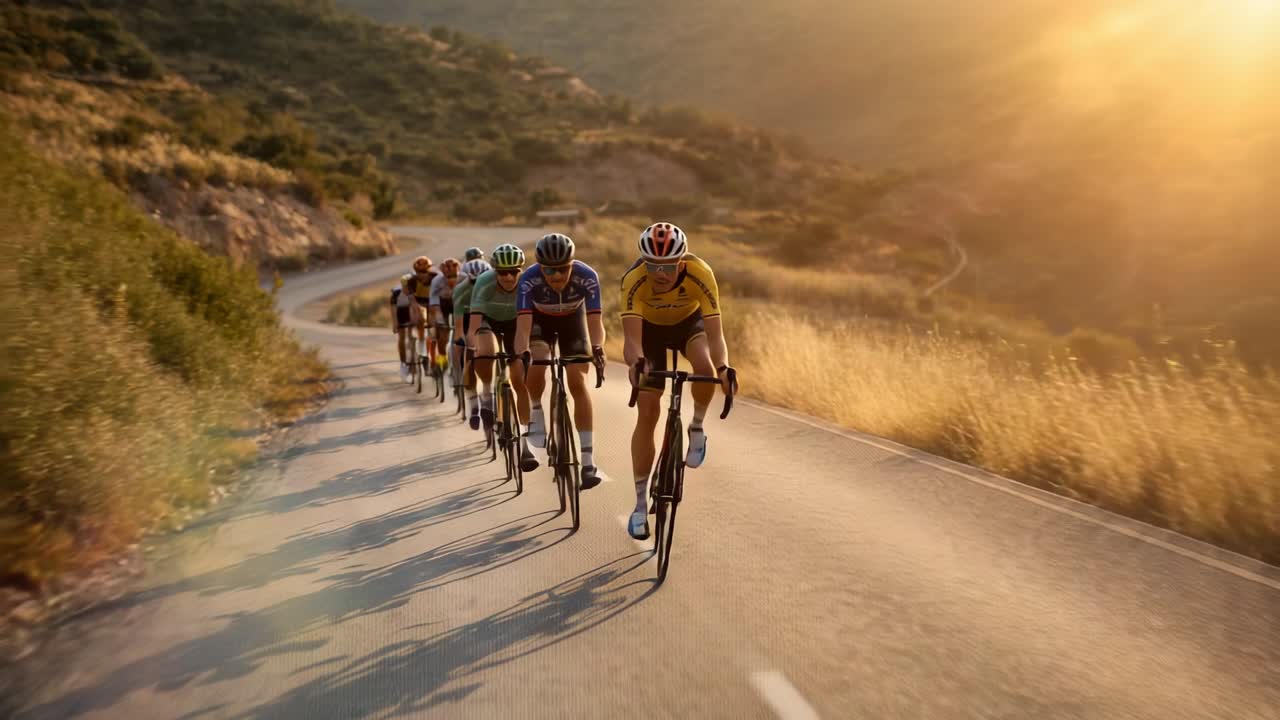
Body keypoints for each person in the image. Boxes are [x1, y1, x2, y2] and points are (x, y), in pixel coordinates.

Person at [620, 222, 736, 540]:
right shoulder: (633, 280)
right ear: (644, 262)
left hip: (688, 325)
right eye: (654, 265)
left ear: (681, 262)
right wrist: (636, 363)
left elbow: (716, 336)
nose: (661, 273)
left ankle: (696, 427)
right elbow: (632, 341)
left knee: (705, 366)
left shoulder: (701, 272)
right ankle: (640, 505)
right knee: (647, 411)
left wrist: (725, 367)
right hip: (650, 333)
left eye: (669, 265)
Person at [514, 233, 607, 488]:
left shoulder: (587, 276)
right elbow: (522, 328)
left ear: (572, 263)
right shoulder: (528, 279)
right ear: (540, 267)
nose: (556, 276)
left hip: (572, 323)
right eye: (550, 270)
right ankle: (536, 410)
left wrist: (597, 347)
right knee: (538, 361)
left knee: (577, 381)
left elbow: (595, 322)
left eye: (563, 269)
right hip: (539, 323)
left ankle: (588, 462)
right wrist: (523, 353)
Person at [466, 244, 539, 472]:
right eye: (502, 272)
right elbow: (474, 326)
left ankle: (526, 443)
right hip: (489, 322)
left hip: (515, 324)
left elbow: (530, 322)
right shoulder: (484, 282)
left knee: (520, 382)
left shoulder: (527, 284)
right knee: (486, 351)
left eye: (514, 271)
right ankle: (487, 393)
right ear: (494, 270)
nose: (508, 277)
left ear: (521, 270)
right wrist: (473, 346)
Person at [452, 258, 490, 427]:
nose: (478, 285)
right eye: (474, 281)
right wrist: (460, 340)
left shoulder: (494, 287)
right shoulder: (461, 291)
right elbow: (459, 324)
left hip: (489, 320)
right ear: (467, 278)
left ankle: (491, 392)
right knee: (467, 357)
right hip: (468, 321)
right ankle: (473, 403)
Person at [400, 255, 438, 380]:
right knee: (420, 318)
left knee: (435, 326)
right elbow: (412, 301)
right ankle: (421, 343)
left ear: (429, 270)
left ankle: (432, 348)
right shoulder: (411, 281)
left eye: (424, 271)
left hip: (431, 302)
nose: (422, 274)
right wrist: (418, 317)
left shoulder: (435, 278)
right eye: (419, 272)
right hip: (418, 302)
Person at [429, 257, 462, 371]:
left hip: (458, 303)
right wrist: (438, 317)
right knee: (442, 334)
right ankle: (442, 358)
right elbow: (433, 300)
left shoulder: (464, 278)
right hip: (443, 305)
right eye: (448, 277)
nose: (451, 281)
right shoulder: (437, 281)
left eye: (454, 277)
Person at [389, 281, 415, 383]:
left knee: (413, 333)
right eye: (405, 288)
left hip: (410, 309)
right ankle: (403, 362)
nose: (407, 290)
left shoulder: (415, 291)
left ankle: (416, 356)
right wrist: (395, 324)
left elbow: (417, 307)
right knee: (402, 337)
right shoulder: (396, 293)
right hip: (399, 311)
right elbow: (393, 310)